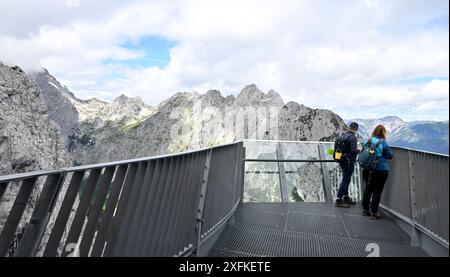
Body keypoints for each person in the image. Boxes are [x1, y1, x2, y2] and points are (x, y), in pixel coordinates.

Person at [361, 125, 394, 219]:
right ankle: (374, 212)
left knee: (368, 189)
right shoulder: (383, 142)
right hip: (381, 170)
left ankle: (365, 210)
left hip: (367, 168)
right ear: (383, 132)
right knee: (377, 191)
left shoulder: (367, 140)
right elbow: (390, 156)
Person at [335, 122, 360, 208]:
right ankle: (338, 199)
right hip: (349, 162)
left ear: (349, 127)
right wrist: (358, 150)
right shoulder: (352, 138)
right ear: (356, 129)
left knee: (347, 179)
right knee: (345, 180)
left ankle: (345, 197)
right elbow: (353, 150)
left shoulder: (344, 135)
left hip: (342, 160)